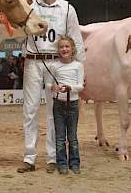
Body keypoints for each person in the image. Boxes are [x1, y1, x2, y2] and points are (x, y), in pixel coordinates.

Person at [17, 0, 85, 173]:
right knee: (29, 110)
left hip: (56, 64)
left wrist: (80, 68)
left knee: (53, 112)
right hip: (33, 61)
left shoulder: (67, 9)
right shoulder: (29, 5)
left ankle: (53, 158)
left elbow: (76, 40)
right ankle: (29, 157)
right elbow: (19, 34)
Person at [46, 36, 84, 175]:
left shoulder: (78, 66)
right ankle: (61, 163)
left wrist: (70, 88)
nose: (64, 49)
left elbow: (80, 86)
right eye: (61, 47)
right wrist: (53, 87)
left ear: (72, 48)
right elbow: (48, 84)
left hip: (73, 104)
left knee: (72, 137)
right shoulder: (53, 66)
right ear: (58, 50)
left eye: (67, 46)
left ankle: (74, 163)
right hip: (58, 104)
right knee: (60, 137)